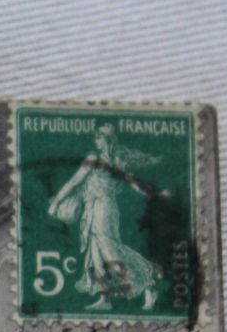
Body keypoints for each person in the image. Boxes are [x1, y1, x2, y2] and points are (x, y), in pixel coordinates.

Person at [47, 122, 167, 312]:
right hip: (91, 209)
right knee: (95, 255)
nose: (96, 140)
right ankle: (105, 298)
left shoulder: (110, 159)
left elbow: (130, 181)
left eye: (99, 137)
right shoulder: (99, 159)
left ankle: (147, 282)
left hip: (104, 207)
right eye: (96, 137)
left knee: (110, 251)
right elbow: (75, 182)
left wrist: (56, 203)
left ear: (107, 140)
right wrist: (57, 202)